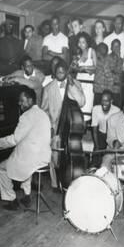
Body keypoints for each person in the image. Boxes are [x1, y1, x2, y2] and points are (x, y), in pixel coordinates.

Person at [0, 87, 52, 210]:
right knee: (25, 162)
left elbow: (14, 139)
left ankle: (11, 199)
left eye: (22, 100)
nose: (19, 103)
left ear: (30, 100)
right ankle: (26, 195)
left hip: (32, 159)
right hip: (44, 157)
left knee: (1, 168)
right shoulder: (43, 114)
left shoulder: (26, 116)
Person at [41, 60, 86, 190]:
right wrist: (49, 126)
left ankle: (72, 182)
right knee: (54, 158)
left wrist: (71, 85)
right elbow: (44, 110)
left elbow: (82, 102)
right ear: (54, 73)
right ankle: (56, 184)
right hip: (56, 127)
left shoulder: (75, 84)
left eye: (63, 71)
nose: (60, 73)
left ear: (67, 72)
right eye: (58, 71)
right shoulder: (48, 88)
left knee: (70, 155)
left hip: (71, 127)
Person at [72, 32, 96, 119]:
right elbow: (74, 68)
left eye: (83, 42)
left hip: (89, 83)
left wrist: (84, 67)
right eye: (79, 42)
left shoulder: (91, 51)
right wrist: (76, 66)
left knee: (87, 106)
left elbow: (96, 67)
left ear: (87, 42)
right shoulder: (77, 54)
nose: (81, 44)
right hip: (79, 82)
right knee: (79, 104)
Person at [94, 42, 122, 106]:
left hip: (108, 89)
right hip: (101, 89)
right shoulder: (100, 60)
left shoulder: (106, 60)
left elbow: (109, 73)